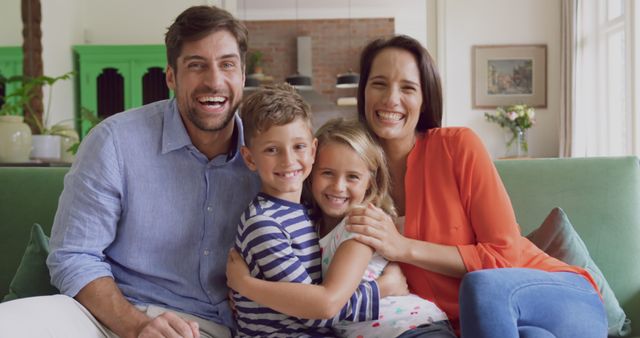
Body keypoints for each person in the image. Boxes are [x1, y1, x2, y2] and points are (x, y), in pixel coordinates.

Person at [0, 5, 260, 338]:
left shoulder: (269, 156)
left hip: (200, 328)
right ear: (171, 76)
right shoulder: (115, 141)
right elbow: (73, 256)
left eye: (227, 65)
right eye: (196, 65)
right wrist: (136, 326)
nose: (214, 80)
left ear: (241, 75)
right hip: (100, 314)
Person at [339, 34, 608, 337]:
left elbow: (504, 255)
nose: (391, 98)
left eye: (408, 88)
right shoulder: (353, 178)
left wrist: (403, 248)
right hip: (475, 326)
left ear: (424, 98)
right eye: (379, 83)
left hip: (559, 297)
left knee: (481, 286)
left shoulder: (458, 146)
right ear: (363, 93)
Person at [227, 117, 454, 338]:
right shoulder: (307, 222)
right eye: (327, 173)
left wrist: (246, 286)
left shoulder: (361, 224)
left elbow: (326, 305)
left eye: (353, 177)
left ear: (370, 182)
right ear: (312, 172)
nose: (338, 187)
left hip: (411, 327)